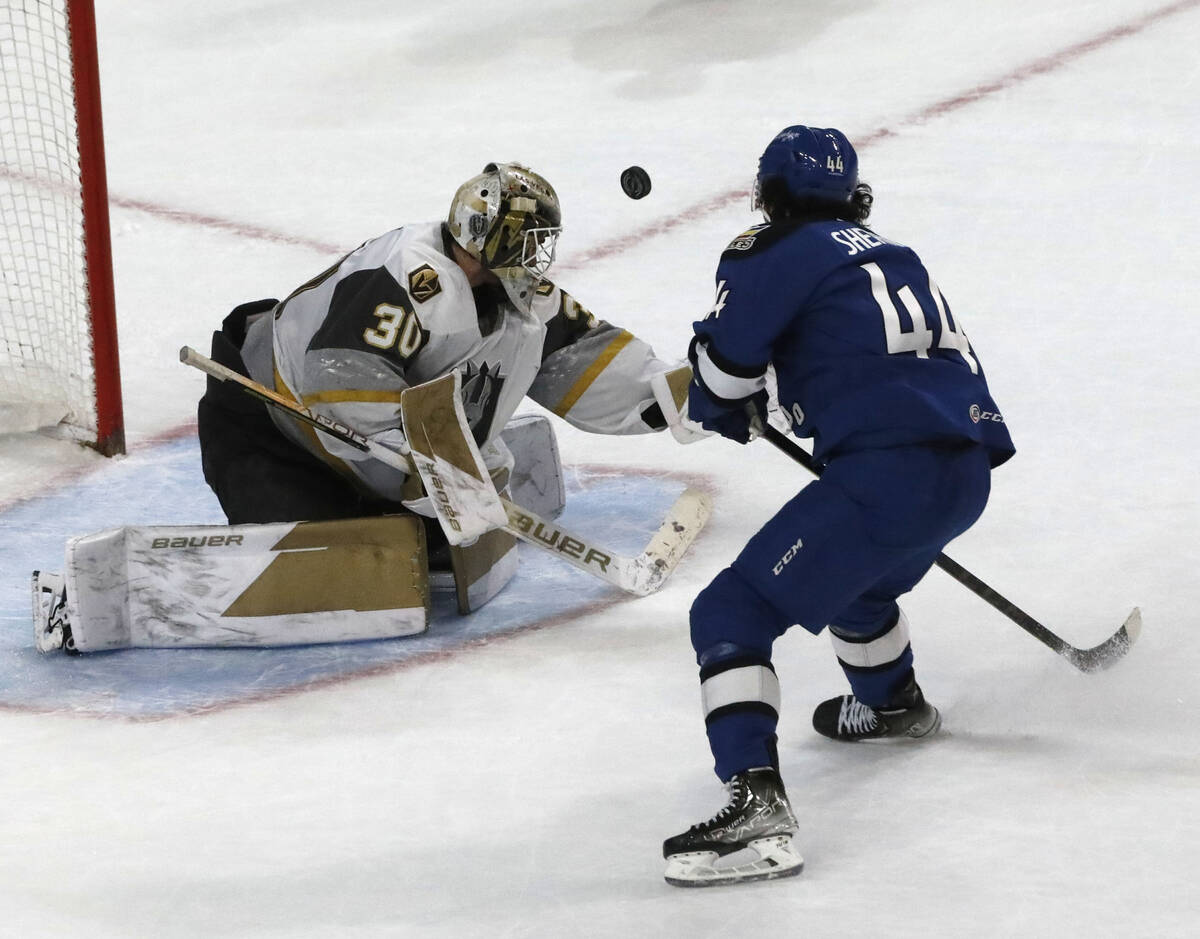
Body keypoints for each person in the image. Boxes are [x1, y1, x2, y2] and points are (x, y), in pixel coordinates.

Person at [33, 161, 698, 654]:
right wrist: (425, 474)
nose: (539, 258)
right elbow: (342, 388)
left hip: (364, 444)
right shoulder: (410, 279)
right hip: (270, 423)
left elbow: (580, 355)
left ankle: (419, 493)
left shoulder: (521, 296)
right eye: (527, 243)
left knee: (429, 553)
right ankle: (99, 596)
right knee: (345, 566)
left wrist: (682, 395)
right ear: (483, 240)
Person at [661, 126, 1015, 887]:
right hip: (966, 470)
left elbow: (721, 383)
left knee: (731, 612)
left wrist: (732, 401)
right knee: (858, 583)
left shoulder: (771, 249)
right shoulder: (890, 252)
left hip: (887, 475)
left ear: (770, 193)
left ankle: (756, 808)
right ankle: (893, 705)